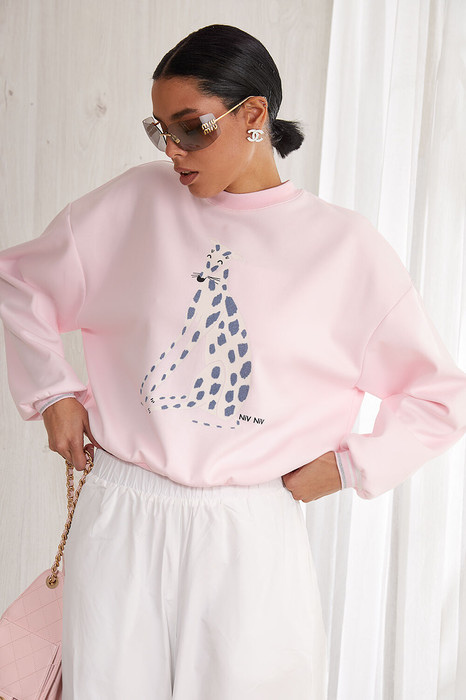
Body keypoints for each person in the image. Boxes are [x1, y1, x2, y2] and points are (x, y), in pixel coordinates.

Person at [0, 23, 465, 700]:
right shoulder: (135, 202)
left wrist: (348, 467)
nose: (173, 150)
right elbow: (20, 283)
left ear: (254, 115)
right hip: (122, 511)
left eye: (191, 128)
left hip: (251, 532)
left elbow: (440, 397)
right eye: (160, 131)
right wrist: (53, 393)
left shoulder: (344, 248)